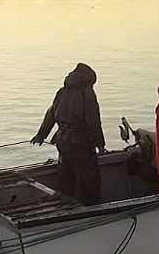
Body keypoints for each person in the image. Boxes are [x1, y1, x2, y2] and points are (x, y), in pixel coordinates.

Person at [31, 62, 105, 205]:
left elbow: (50, 114)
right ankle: (93, 206)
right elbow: (93, 121)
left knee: (66, 175)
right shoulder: (87, 93)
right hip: (80, 142)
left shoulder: (62, 92)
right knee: (90, 177)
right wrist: (100, 144)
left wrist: (41, 135)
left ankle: (66, 204)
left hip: (62, 141)